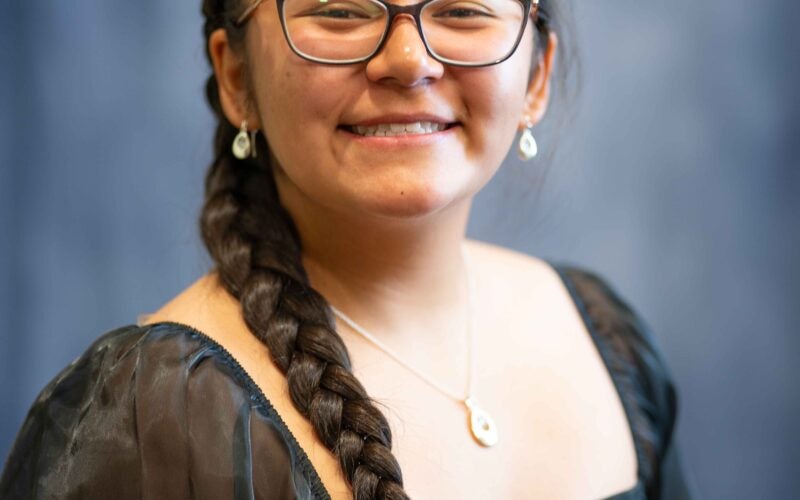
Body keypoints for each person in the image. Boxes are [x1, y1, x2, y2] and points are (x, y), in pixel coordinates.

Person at [0, 0, 692, 498]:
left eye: (462, 11)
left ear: (536, 76)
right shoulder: (151, 422)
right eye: (340, 11)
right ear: (236, 78)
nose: (409, 62)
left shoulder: (606, 338)